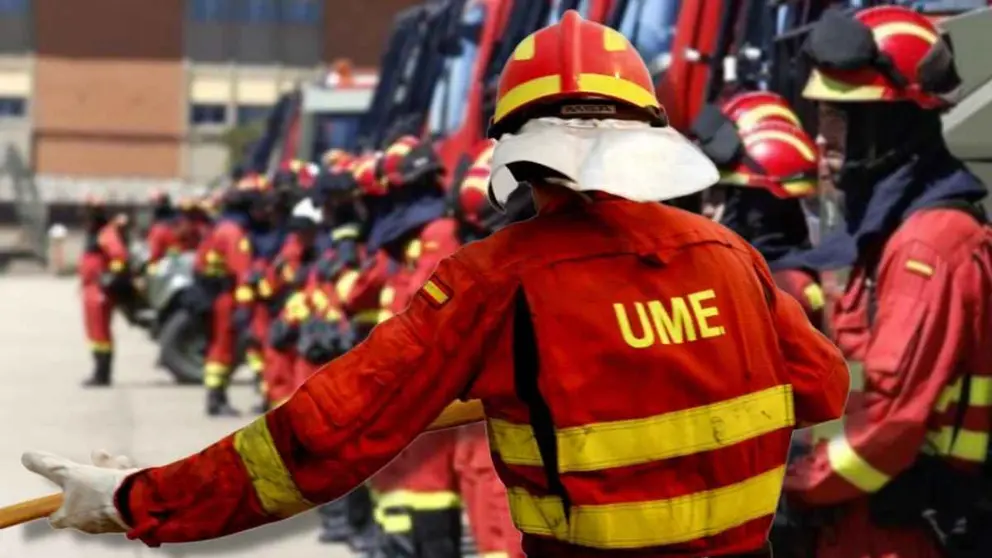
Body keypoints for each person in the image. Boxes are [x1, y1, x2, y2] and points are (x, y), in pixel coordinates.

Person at [23, 11, 848, 558]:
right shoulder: (730, 254)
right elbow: (822, 389)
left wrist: (136, 500)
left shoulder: (497, 278)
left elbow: (319, 439)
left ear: (518, 150)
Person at [776, 6, 992, 558]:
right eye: (821, 113)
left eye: (841, 117)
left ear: (890, 126)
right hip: (859, 515)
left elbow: (890, 423)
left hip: (897, 532)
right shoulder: (892, 232)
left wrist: (792, 491)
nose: (821, 138)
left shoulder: (929, 246)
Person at [699, 99, 825, 326]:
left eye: (719, 195)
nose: (706, 209)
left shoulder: (787, 292)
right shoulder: (736, 274)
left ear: (758, 208)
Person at [190, 176, 267, 417]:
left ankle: (217, 396)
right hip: (226, 298)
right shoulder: (234, 233)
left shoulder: (220, 226)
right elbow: (242, 272)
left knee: (219, 347)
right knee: (224, 348)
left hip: (215, 295)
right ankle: (217, 399)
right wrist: (245, 307)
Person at [78, 196, 131, 387]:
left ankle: (102, 374)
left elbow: (119, 255)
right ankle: (99, 371)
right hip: (90, 288)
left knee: (101, 332)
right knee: (94, 331)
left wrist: (110, 278)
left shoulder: (105, 232)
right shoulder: (94, 232)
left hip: (99, 290)